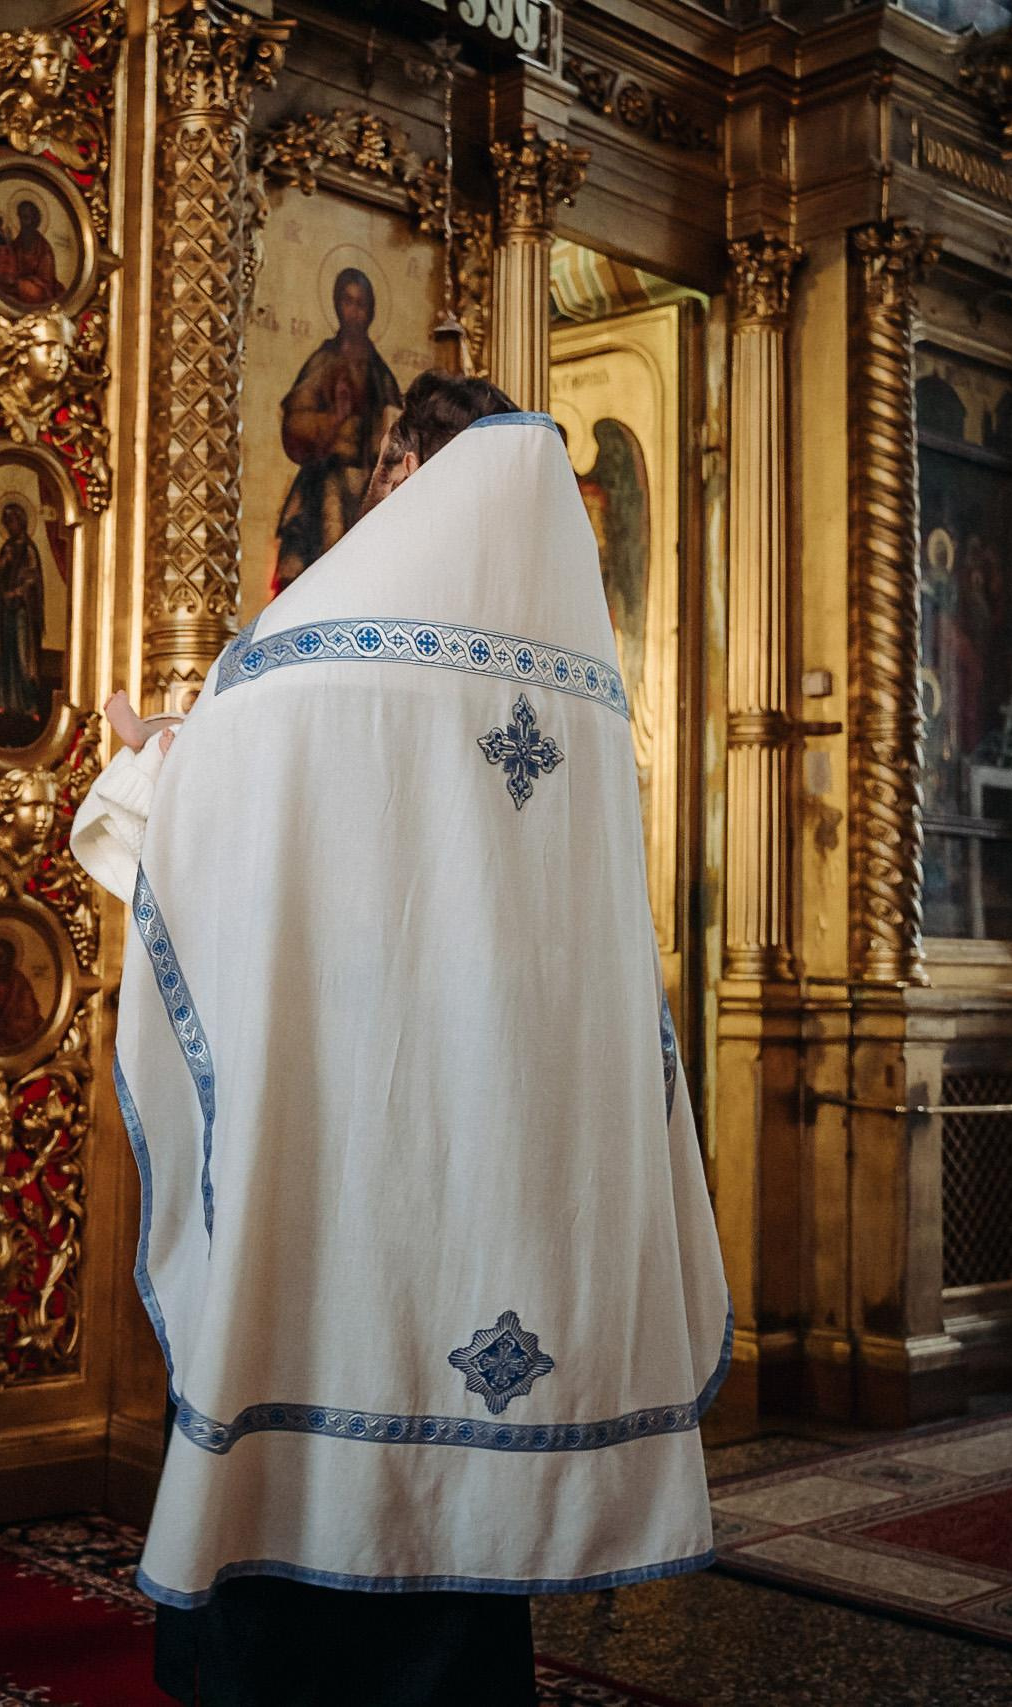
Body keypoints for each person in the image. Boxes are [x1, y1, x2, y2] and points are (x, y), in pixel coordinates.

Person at [75, 373, 727, 1707]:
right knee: (458, 1539)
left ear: (420, 476)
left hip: (352, 1122)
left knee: (329, 1358)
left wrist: (146, 752)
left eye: (387, 471)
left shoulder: (323, 649)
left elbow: (214, 820)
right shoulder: (589, 696)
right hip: (500, 1143)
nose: (374, 498)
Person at [271, 267, 402, 593]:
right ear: (336, 306)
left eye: (362, 304)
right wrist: (334, 419)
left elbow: (397, 424)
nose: (355, 312)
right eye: (348, 302)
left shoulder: (380, 371)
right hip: (328, 481)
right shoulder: (324, 361)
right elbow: (296, 421)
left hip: (371, 487)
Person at [0, 501, 49, 726]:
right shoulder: (7, 549)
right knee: (8, 656)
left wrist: (19, 592)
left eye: (12, 521)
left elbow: (33, 579)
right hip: (7, 612)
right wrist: (4, 565)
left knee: (24, 657)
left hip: (23, 612)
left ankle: (29, 704)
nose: (10, 526)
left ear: (21, 522)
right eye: (7, 522)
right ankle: (6, 701)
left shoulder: (29, 549)